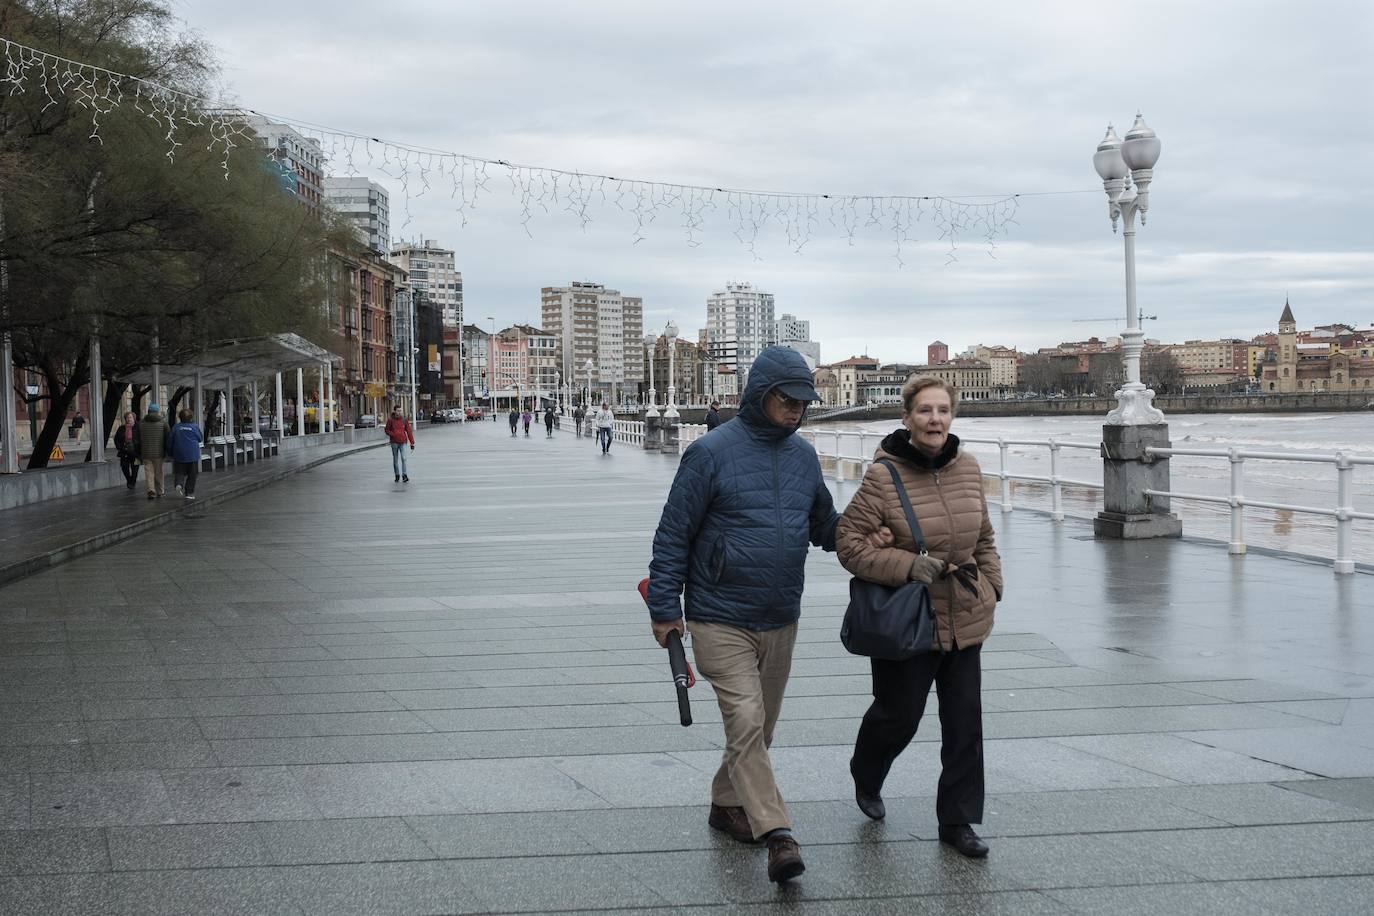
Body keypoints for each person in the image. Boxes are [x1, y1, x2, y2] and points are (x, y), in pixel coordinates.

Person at [645, 346, 840, 884]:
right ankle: (777, 833)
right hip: (718, 616)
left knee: (759, 730)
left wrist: (878, 528)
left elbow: (825, 527)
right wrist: (666, 609)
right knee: (748, 721)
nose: (797, 409)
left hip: (781, 614)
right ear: (760, 394)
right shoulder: (709, 453)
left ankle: (724, 803)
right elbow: (673, 535)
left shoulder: (803, 457)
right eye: (788, 399)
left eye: (805, 401)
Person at [834, 376, 1003, 859]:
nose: (935, 420)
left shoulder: (968, 468)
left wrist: (992, 587)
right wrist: (909, 565)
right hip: (908, 618)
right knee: (899, 715)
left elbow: (985, 537)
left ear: (952, 417)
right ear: (906, 418)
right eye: (925, 411)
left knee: (965, 724)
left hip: (965, 614)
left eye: (943, 411)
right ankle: (867, 770)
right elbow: (850, 544)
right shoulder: (882, 477)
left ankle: (958, 821)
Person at [169, 408, 204, 500]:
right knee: (192, 474)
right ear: (191, 417)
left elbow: (170, 441)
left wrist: (170, 452)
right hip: (192, 454)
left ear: (180, 417)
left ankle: (179, 483)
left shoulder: (176, 427)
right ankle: (189, 492)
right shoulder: (194, 427)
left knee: (180, 471)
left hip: (179, 454)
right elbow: (200, 438)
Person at [138, 404, 170, 499]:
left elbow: (138, 438)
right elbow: (168, 437)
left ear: (148, 411)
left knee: (149, 472)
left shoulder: (141, 423)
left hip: (146, 452)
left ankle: (151, 490)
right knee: (159, 472)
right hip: (159, 453)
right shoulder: (163, 423)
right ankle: (160, 491)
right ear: (157, 412)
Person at [385, 406, 415, 482]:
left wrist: (412, 443)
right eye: (398, 411)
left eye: (401, 411)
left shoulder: (404, 420)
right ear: (395, 411)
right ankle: (397, 474)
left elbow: (409, 431)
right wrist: (393, 434)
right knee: (395, 459)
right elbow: (387, 430)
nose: (400, 412)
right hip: (394, 442)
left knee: (404, 458)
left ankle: (404, 475)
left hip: (403, 442)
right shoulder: (390, 420)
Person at [112, 411, 140, 490]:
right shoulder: (121, 428)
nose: (129, 419)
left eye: (130, 417)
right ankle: (129, 480)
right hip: (124, 451)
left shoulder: (138, 427)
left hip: (135, 452)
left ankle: (133, 482)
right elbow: (116, 439)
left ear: (134, 418)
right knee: (124, 467)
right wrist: (120, 447)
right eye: (127, 418)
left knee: (135, 469)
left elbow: (142, 439)